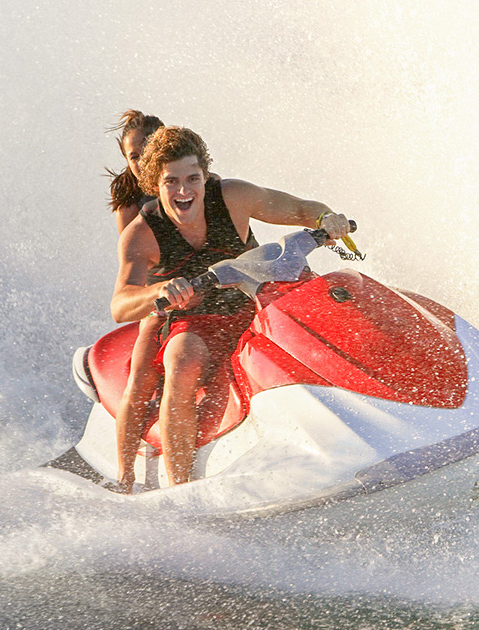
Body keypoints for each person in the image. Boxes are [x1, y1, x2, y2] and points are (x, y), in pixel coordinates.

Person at [111, 126, 351, 486]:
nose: (183, 191)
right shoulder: (142, 233)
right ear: (155, 184)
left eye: (193, 178)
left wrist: (325, 219)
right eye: (171, 181)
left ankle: (361, 406)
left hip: (253, 300)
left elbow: (302, 209)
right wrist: (160, 290)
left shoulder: (233, 196)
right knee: (181, 359)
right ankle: (180, 487)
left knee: (326, 305)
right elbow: (120, 304)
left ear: (205, 176)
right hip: (194, 320)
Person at [106, 110, 167, 494]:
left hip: (214, 280)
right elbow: (134, 257)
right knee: (143, 374)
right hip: (161, 287)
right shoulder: (128, 196)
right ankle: (126, 476)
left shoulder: (188, 179)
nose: (142, 159)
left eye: (149, 149)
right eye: (133, 155)